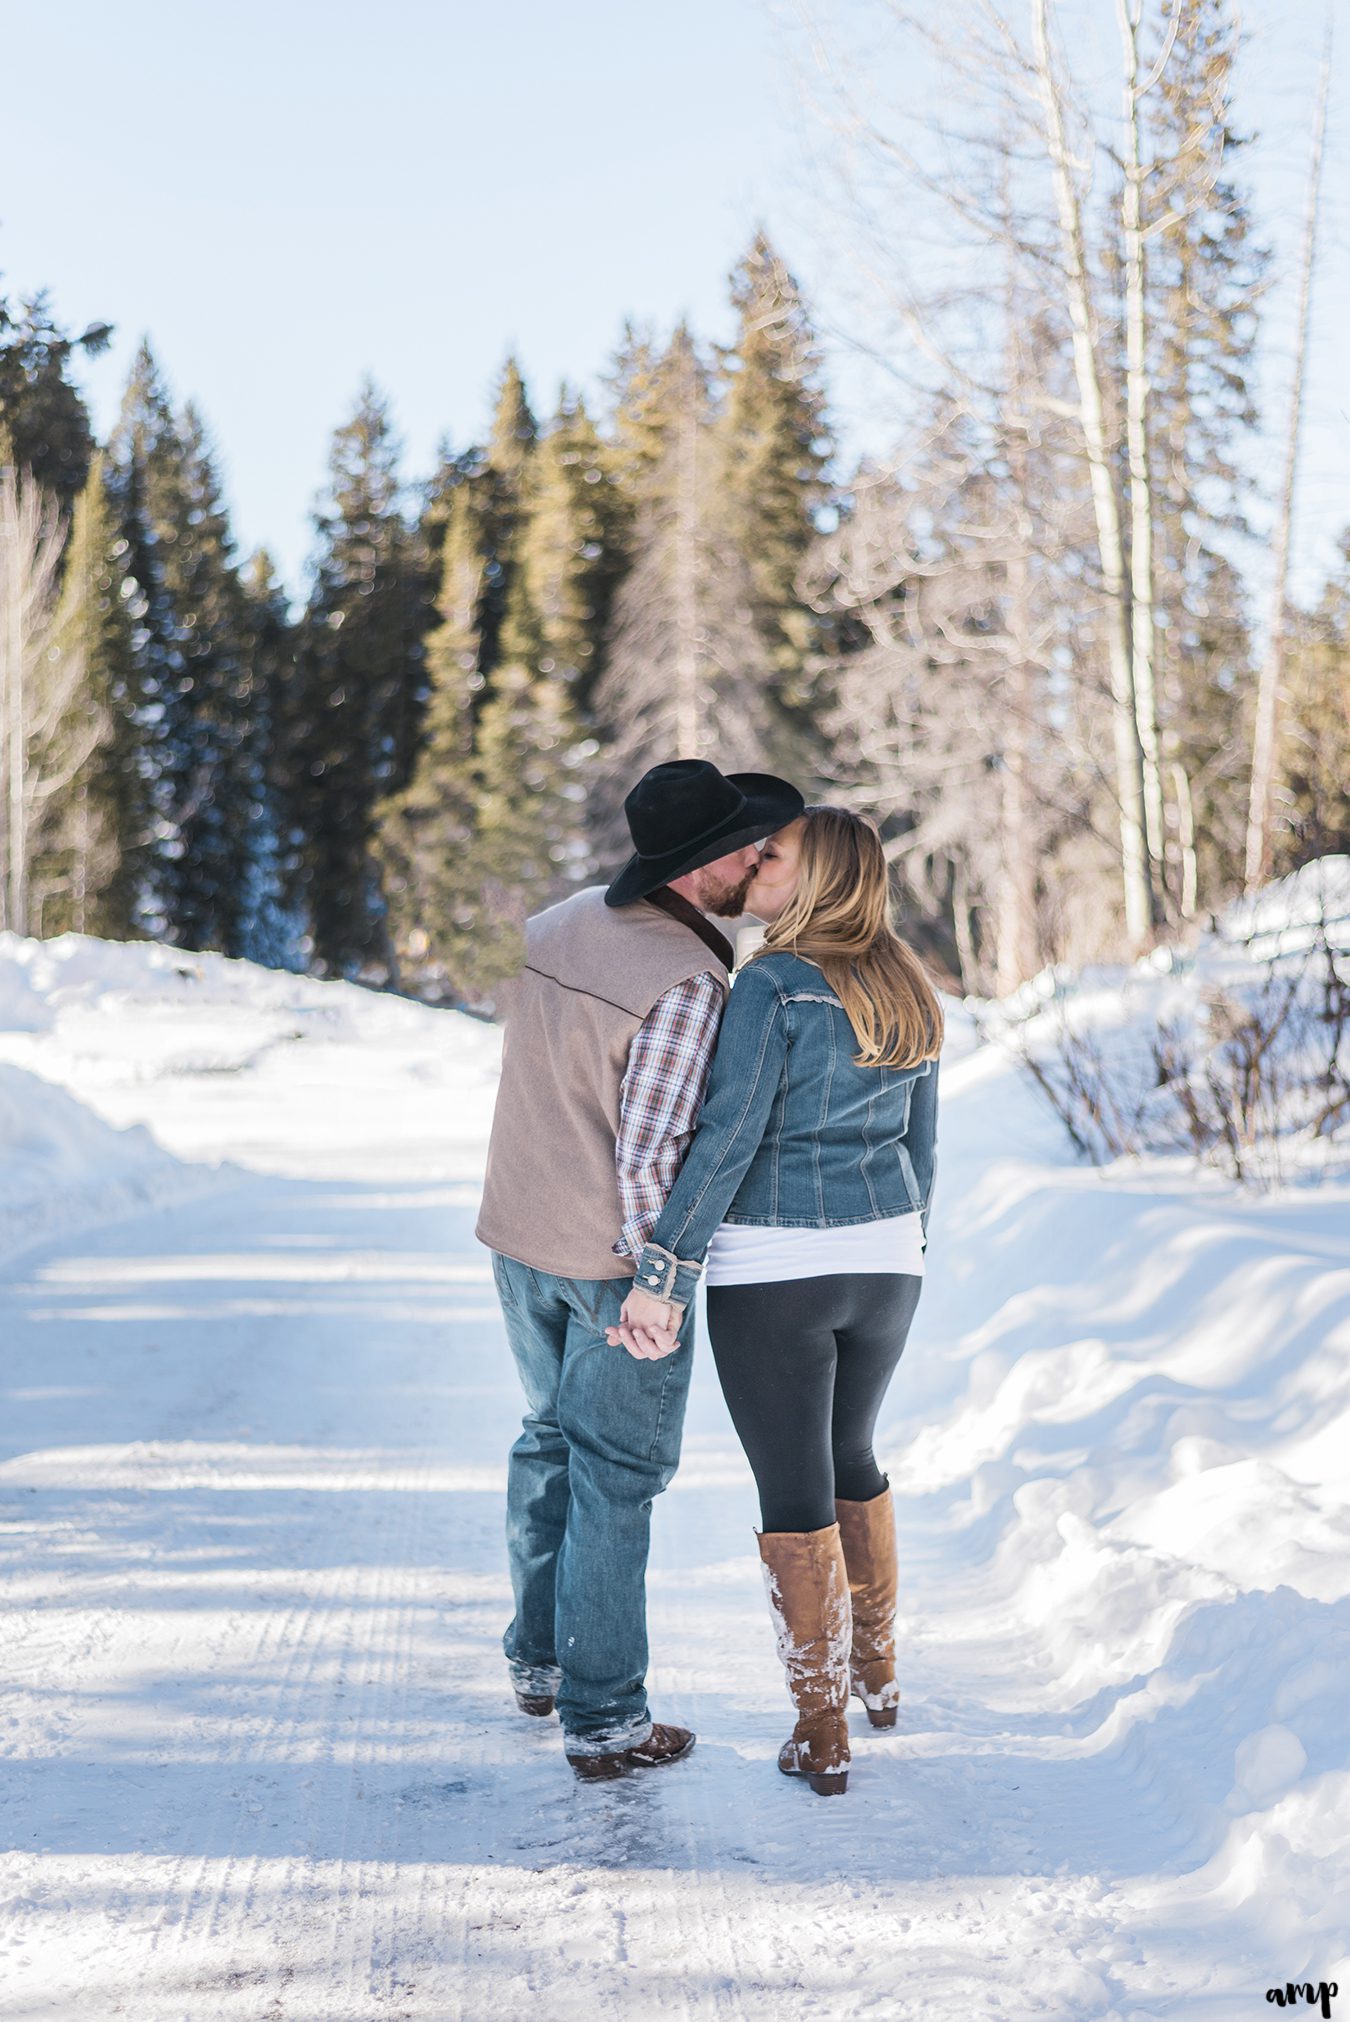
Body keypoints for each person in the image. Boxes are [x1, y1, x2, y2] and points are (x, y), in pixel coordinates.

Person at [476, 757, 805, 1782]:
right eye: (751, 848)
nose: (763, 859)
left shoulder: (562, 920)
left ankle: (540, 1661)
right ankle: (607, 1717)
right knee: (616, 1480)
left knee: (548, 1441)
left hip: (517, 1239)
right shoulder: (687, 983)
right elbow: (652, 1156)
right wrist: (659, 1286)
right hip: (610, 1269)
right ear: (708, 865)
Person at [608, 805, 943, 1797]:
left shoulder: (772, 985)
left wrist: (666, 1265)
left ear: (819, 878)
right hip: (888, 1265)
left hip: (775, 1270)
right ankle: (877, 1680)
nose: (757, 864)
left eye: (776, 856)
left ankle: (820, 1726)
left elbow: (729, 1134)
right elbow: (922, 1151)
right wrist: (897, 1241)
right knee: (854, 1457)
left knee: (795, 1489)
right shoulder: (911, 986)